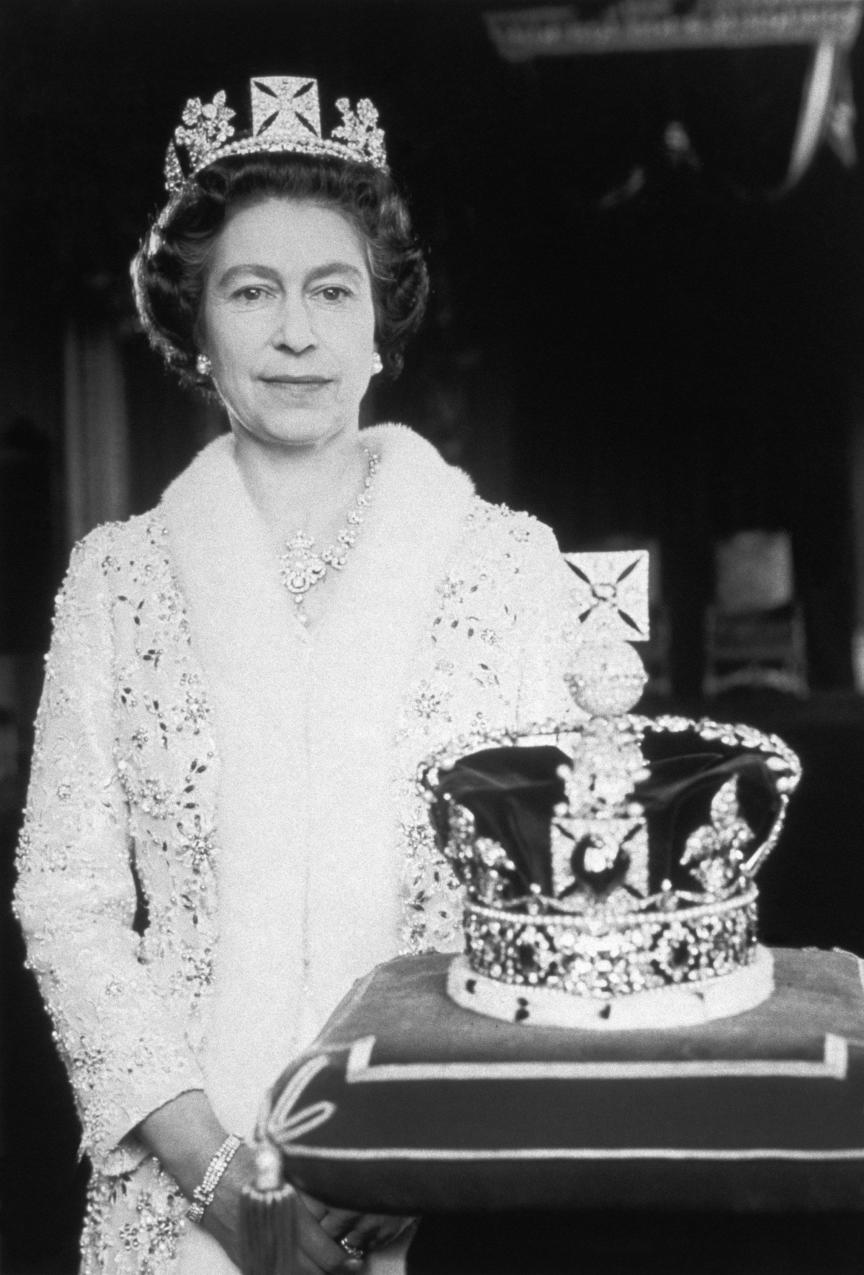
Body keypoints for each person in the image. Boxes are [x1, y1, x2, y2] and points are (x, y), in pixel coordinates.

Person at [13, 76, 577, 1275]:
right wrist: (217, 1178)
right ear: (194, 325)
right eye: (250, 290)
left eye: (333, 291)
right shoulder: (117, 583)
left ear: (382, 324)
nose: (297, 333)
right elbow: (66, 903)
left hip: (452, 1197)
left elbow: (553, 910)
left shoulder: (508, 567)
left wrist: (423, 1165)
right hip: (182, 1195)